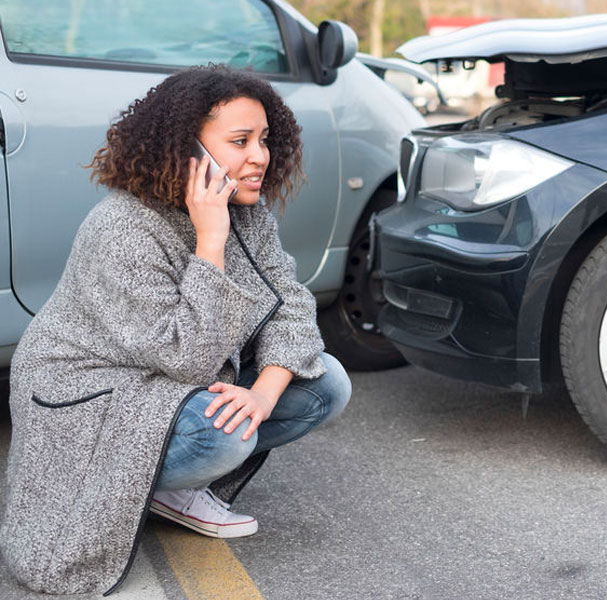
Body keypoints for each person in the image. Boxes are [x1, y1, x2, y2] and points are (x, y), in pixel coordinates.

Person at [0, 65, 351, 595]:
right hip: (90, 392)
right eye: (239, 141)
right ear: (186, 150)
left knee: (326, 385)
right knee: (224, 435)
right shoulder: (123, 228)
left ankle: (171, 489)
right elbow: (185, 356)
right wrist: (210, 243)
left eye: (264, 139)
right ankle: (157, 486)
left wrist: (262, 393)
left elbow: (294, 306)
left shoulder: (250, 216)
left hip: (166, 377)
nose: (260, 156)